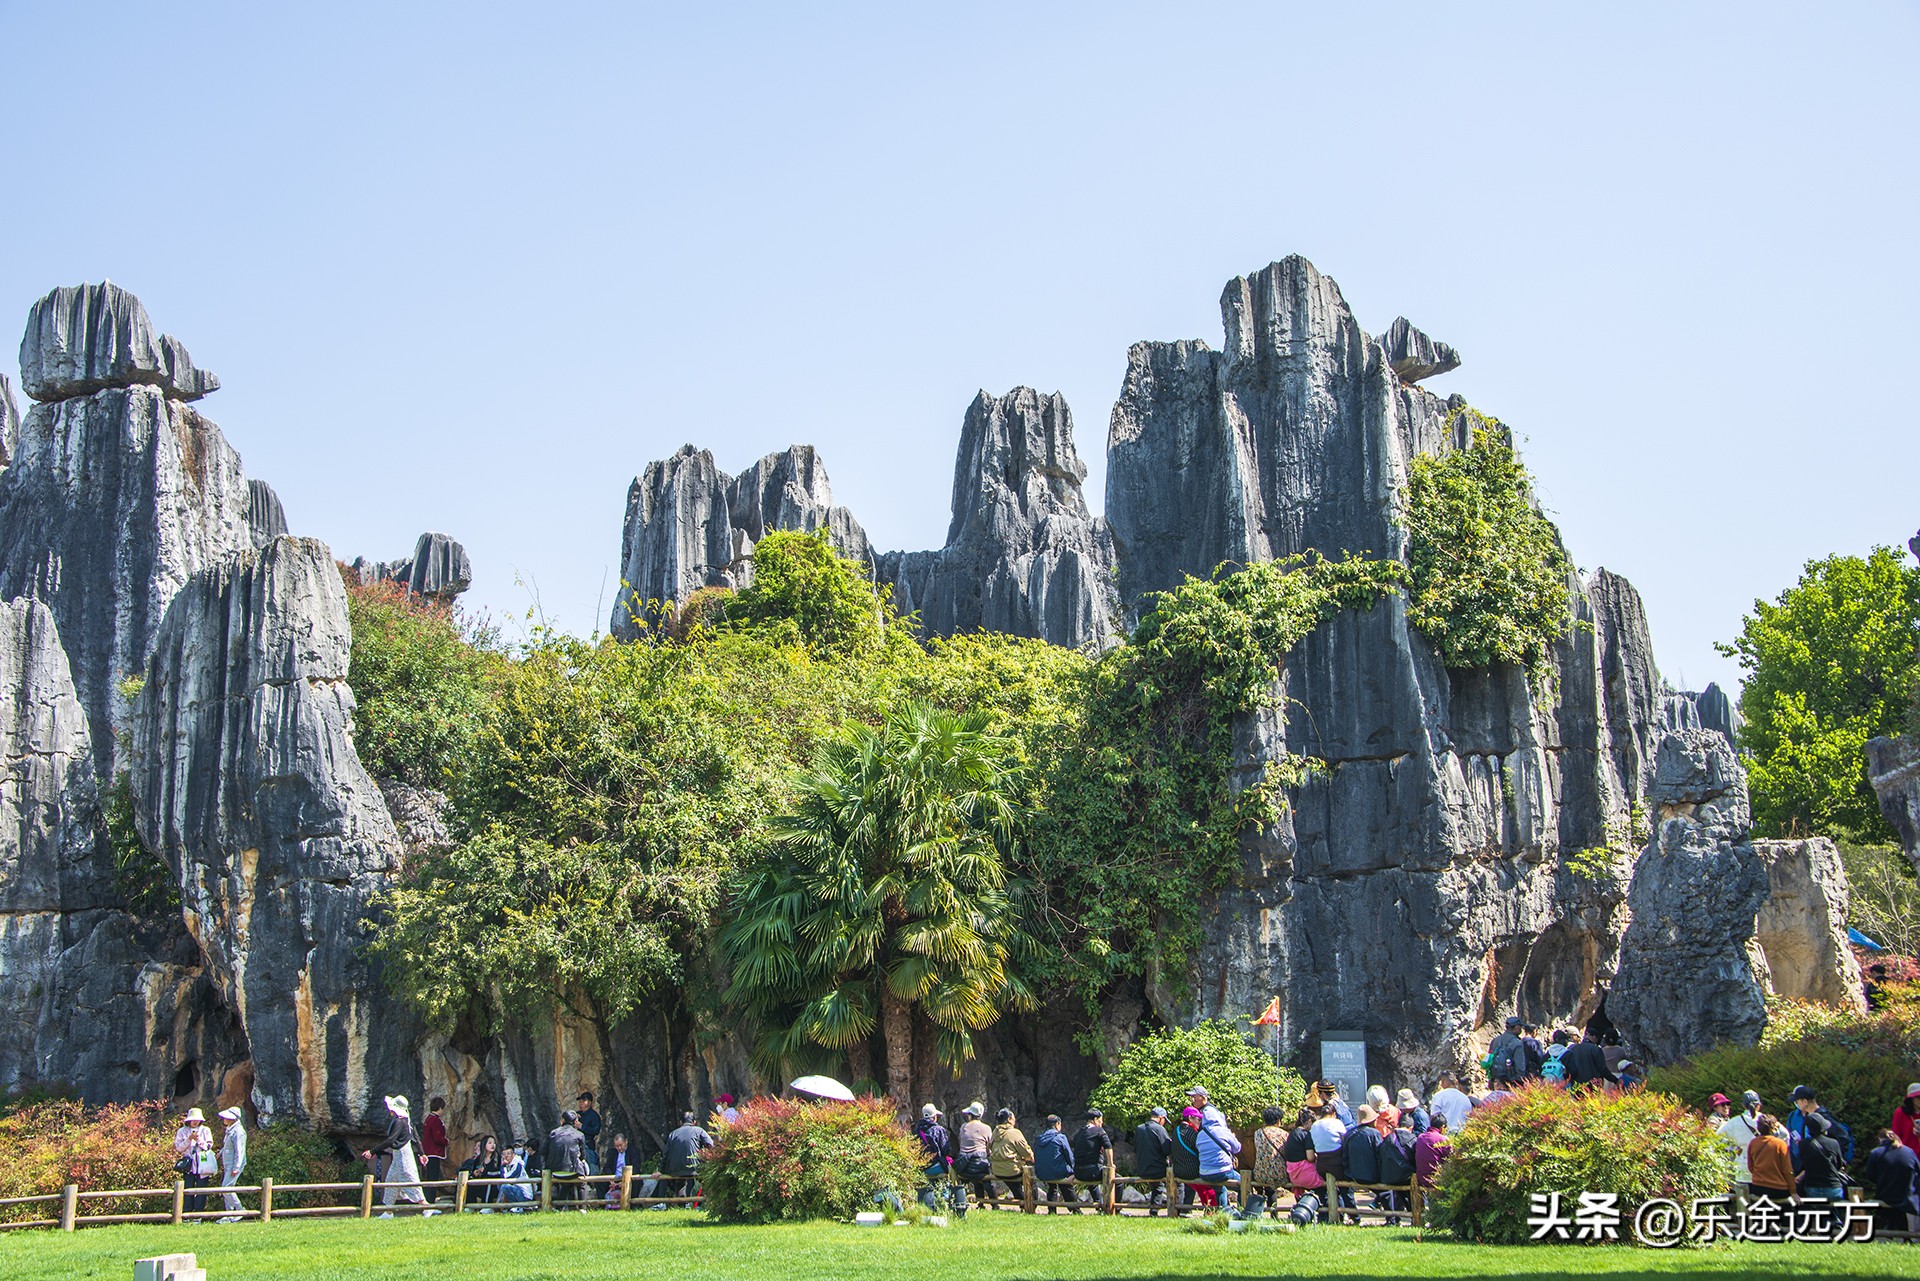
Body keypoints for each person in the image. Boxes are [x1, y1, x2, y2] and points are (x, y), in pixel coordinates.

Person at [362, 1094, 431, 1215]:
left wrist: (372, 1151)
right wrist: (422, 1154)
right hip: (399, 1155)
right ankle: (388, 1212)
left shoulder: (400, 1122)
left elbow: (390, 1140)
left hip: (403, 1156)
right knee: (391, 1181)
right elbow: (416, 1138)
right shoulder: (407, 1120)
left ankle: (425, 1207)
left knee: (409, 1179)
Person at [1866, 1129, 1920, 1237]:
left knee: (1890, 1214)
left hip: (1886, 1194)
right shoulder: (1909, 1151)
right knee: (1902, 1218)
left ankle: (1889, 1232)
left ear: (1879, 1139)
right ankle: (1907, 1237)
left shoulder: (1875, 1153)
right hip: (1909, 1194)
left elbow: (1870, 1176)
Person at [1787, 1085, 1853, 1171]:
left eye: (1797, 1101)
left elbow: (1843, 1136)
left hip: (1824, 1167)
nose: (1796, 1104)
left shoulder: (1823, 1117)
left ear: (1805, 1101)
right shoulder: (1808, 1116)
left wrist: (1834, 1159)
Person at [1195, 1102, 1241, 1209]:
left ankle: (1223, 1211)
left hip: (1204, 1173)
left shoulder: (1200, 1135)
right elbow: (1237, 1148)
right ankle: (1241, 1211)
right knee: (1243, 1184)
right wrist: (1233, 1137)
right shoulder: (1222, 1131)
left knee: (1219, 1189)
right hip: (1222, 1171)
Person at [661, 1111, 714, 1203]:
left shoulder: (673, 1134)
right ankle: (707, 1202)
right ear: (694, 1122)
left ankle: (681, 1205)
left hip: (675, 1168)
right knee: (706, 1180)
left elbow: (666, 1154)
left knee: (680, 1183)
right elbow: (711, 1145)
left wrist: (661, 1170)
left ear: (681, 1123)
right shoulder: (699, 1130)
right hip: (694, 1166)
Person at [1713, 1092, 1759, 1195]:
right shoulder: (1767, 1120)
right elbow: (1784, 1136)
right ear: (1759, 1105)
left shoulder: (1734, 1122)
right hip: (1765, 1168)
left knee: (1744, 1203)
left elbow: (1716, 1139)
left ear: (1743, 1105)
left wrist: (1733, 1147)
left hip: (1743, 1168)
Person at [1377, 1112, 1417, 1226]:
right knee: (1408, 1193)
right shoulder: (1413, 1139)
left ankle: (1392, 1220)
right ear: (1411, 1127)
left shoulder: (1388, 1138)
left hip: (1388, 1176)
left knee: (1393, 1194)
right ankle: (1415, 1217)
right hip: (1406, 1176)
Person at [1340, 1104, 1382, 1214]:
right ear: (1372, 1120)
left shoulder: (1349, 1134)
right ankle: (1392, 1218)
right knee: (1389, 1191)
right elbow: (1380, 1154)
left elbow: (1345, 1156)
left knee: (1344, 1190)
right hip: (1373, 1176)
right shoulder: (1375, 1134)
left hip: (1352, 1176)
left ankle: (1354, 1217)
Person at [1068, 1109, 1112, 1212]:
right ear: (1095, 1120)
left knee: (1092, 1184)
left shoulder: (1079, 1133)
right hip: (1093, 1172)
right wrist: (1110, 1164)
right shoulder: (1099, 1131)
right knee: (1117, 1181)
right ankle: (1114, 1208)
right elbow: (1108, 1146)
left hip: (1078, 1172)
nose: (1102, 1123)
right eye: (1101, 1121)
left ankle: (1099, 1207)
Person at [173, 1108, 215, 1214]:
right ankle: (187, 1213)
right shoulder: (181, 1131)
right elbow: (179, 1148)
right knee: (188, 1189)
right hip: (189, 1165)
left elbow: (208, 1146)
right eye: (193, 1119)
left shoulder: (205, 1130)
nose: (195, 1122)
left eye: (197, 1119)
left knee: (201, 1190)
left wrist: (198, 1140)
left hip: (203, 1164)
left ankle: (198, 1213)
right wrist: (189, 1139)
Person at [954, 1102, 993, 1213]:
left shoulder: (963, 1127)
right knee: (986, 1179)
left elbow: (961, 1142)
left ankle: (978, 1203)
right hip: (979, 1163)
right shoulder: (987, 1128)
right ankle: (994, 1204)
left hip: (964, 1166)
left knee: (974, 1180)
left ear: (970, 1115)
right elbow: (989, 1148)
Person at [912, 1104, 954, 1209]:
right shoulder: (938, 1130)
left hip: (922, 1168)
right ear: (934, 1117)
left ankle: (928, 1205)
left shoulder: (917, 1130)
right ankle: (944, 1201)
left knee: (930, 1183)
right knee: (947, 1177)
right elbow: (946, 1149)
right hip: (937, 1167)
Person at [1283, 1108, 1324, 1212]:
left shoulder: (1293, 1133)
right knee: (1324, 1187)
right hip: (1304, 1173)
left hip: (1293, 1173)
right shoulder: (1306, 1134)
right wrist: (1316, 1157)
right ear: (1309, 1121)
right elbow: (1310, 1157)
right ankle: (1325, 1215)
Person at [1131, 1107, 1171, 1212]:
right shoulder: (1160, 1129)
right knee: (1168, 1184)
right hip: (1158, 1170)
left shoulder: (1139, 1129)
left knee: (1156, 1186)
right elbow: (1167, 1150)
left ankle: (1154, 1208)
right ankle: (1162, 1209)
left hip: (1142, 1168)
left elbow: (1135, 1148)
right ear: (1161, 1118)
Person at [546, 1110, 589, 1209]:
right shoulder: (579, 1135)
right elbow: (583, 1156)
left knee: (567, 1184)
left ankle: (558, 1208)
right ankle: (583, 1208)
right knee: (582, 1183)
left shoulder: (553, 1133)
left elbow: (545, 1151)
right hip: (571, 1171)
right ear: (575, 1122)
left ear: (562, 1120)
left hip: (554, 1171)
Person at [1033, 1114, 1076, 1214]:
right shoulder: (1060, 1137)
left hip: (1042, 1172)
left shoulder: (1039, 1139)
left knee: (1052, 1186)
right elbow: (1069, 1156)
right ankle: (1075, 1208)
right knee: (1066, 1182)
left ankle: (1051, 1210)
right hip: (1057, 1172)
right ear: (1057, 1124)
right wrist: (1074, 1170)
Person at [988, 1108, 1034, 1201]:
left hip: (997, 1170)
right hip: (1012, 1170)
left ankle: (1022, 1203)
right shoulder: (1014, 1132)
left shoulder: (995, 1132)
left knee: (1014, 1185)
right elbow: (1025, 1151)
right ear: (1009, 1119)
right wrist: (1030, 1157)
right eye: (1013, 1118)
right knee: (1032, 1179)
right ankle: (1032, 1204)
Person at [1746, 1115, 1794, 1202]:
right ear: (1773, 1128)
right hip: (1778, 1189)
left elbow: (1750, 1166)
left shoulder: (1753, 1143)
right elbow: (1787, 1170)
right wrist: (1793, 1191)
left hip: (1758, 1187)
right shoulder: (1780, 1144)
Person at [1252, 1107, 1287, 1215]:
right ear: (1278, 1120)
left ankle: (1270, 1212)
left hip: (1260, 1173)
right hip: (1279, 1174)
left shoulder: (1257, 1133)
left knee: (1268, 1187)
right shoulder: (1283, 1134)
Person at [215, 1106, 248, 1222]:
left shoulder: (238, 1132)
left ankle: (240, 1209)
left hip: (233, 1165)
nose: (224, 1119)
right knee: (227, 1188)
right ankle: (229, 1214)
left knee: (226, 1188)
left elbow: (240, 1150)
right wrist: (221, 1152)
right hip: (228, 1164)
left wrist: (237, 1167)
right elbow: (228, 1146)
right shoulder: (230, 1130)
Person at [1170, 1107, 1206, 1208]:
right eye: (1198, 1119)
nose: (1199, 1122)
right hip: (1191, 1171)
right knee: (1209, 1187)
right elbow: (1200, 1148)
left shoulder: (1176, 1130)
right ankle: (1207, 1209)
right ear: (1190, 1118)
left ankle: (1184, 1208)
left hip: (1177, 1169)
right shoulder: (1191, 1132)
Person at [458, 1135, 501, 1206]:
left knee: (488, 1184)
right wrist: (475, 1174)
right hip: (480, 1184)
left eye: (494, 1143)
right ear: (484, 1145)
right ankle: (470, 1206)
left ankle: (487, 1206)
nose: (493, 1145)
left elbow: (500, 1172)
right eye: (490, 1143)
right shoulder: (478, 1160)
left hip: (494, 1185)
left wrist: (486, 1172)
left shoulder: (498, 1158)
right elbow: (473, 1173)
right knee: (469, 1185)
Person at [1414, 1114, 1451, 1188]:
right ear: (1442, 1127)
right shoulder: (1442, 1139)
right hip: (1436, 1179)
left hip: (1421, 1179)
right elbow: (1450, 1157)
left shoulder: (1420, 1137)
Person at [1486, 1016, 1525, 1086]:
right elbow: (1520, 1067)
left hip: (1496, 1081)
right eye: (1520, 1027)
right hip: (1510, 1082)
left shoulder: (1495, 1040)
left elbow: (1489, 1061)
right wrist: (1520, 1082)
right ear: (1516, 1027)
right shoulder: (1517, 1043)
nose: (1521, 1030)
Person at [421, 1096, 450, 1188]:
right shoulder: (436, 1120)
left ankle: (429, 1197)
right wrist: (446, 1141)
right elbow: (437, 1137)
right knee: (433, 1178)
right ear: (440, 1108)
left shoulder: (428, 1119)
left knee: (429, 1176)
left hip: (427, 1152)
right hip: (434, 1152)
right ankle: (430, 1199)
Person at [497, 1142, 534, 1209]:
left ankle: (519, 1207)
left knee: (505, 1187)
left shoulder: (518, 1164)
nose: (506, 1156)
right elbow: (503, 1177)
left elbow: (509, 1179)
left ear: (513, 1155)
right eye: (504, 1154)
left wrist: (502, 1166)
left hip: (524, 1195)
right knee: (502, 1186)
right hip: (516, 1191)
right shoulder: (506, 1166)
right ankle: (512, 1207)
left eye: (508, 1153)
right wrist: (503, 1166)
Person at [575, 1092, 603, 1175]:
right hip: (576, 1144)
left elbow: (595, 1130)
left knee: (590, 1165)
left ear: (590, 1103)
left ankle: (592, 1182)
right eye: (580, 1101)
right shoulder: (578, 1114)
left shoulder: (594, 1115)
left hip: (588, 1144)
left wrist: (582, 1127)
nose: (581, 1103)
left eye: (584, 1101)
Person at [604, 1133, 631, 1207]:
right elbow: (607, 1167)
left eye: (621, 1145)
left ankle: (632, 1204)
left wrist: (623, 1181)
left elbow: (636, 1168)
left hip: (627, 1177)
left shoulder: (634, 1151)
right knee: (600, 1183)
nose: (619, 1148)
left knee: (636, 1183)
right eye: (616, 1146)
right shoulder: (613, 1152)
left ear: (626, 1142)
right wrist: (611, 1179)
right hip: (615, 1178)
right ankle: (602, 1205)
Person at [1893, 1084, 1920, 1152]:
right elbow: (1896, 1135)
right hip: (1908, 1155)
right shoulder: (1900, 1113)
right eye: (1918, 1097)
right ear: (1911, 1099)